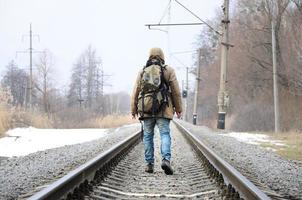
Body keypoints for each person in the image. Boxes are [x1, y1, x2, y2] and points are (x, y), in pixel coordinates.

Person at [131, 47, 182, 175]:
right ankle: (166, 160)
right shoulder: (168, 70)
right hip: (163, 109)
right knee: (165, 134)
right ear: (162, 56)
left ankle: (149, 164)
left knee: (148, 136)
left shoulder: (143, 71)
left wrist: (133, 109)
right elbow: (176, 92)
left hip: (146, 109)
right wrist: (179, 109)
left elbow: (135, 91)